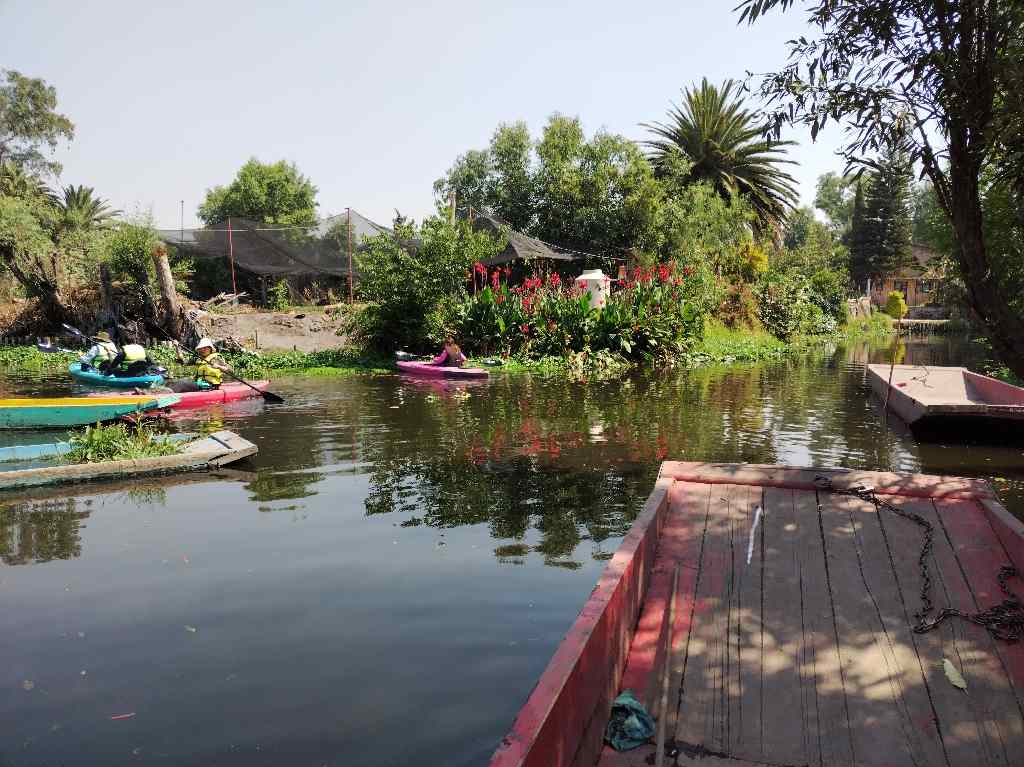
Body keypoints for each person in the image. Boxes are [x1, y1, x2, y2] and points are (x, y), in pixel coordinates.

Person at [168, 338, 232, 393]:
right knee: (177, 381)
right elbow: (183, 362)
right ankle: (167, 393)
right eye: (201, 348)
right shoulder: (198, 359)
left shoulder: (216, 358)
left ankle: (170, 396)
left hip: (211, 385)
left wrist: (218, 366)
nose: (202, 350)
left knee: (182, 383)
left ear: (210, 348)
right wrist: (177, 347)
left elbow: (230, 370)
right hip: (200, 383)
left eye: (205, 348)